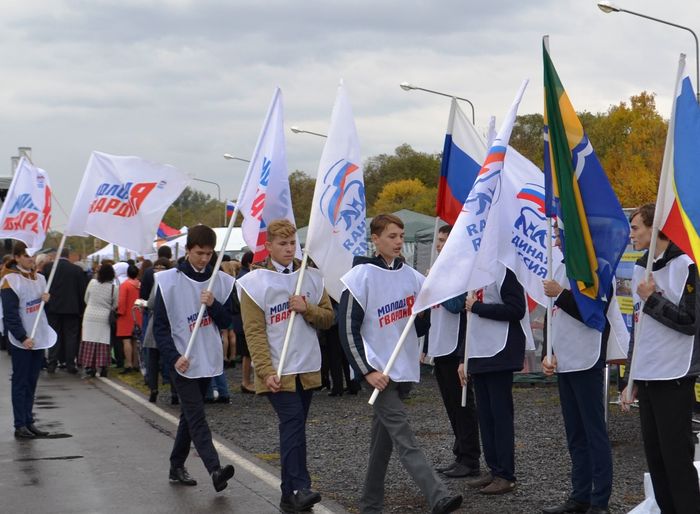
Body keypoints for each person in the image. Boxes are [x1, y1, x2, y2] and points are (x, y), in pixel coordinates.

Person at [339, 213, 463, 514]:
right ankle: (438, 495)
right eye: (392, 236)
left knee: (382, 445)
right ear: (376, 239)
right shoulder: (360, 277)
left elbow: (417, 327)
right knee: (405, 436)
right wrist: (367, 371)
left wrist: (422, 317)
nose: (398, 242)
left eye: (400, 236)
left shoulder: (411, 276)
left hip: (402, 370)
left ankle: (370, 505)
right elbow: (346, 328)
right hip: (379, 373)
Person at [238, 219, 334, 513]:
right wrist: (264, 372)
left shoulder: (311, 277)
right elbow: (253, 333)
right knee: (292, 423)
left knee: (296, 428)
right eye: (282, 243)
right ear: (268, 247)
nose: (289, 248)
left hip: (306, 367)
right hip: (277, 372)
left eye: (292, 243)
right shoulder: (255, 284)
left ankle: (287, 496)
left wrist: (308, 309)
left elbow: (330, 318)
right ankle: (299, 487)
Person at [621, 204, 700, 513]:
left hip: (676, 374)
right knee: (655, 457)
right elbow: (638, 328)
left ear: (655, 229)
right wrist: (631, 376)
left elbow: (690, 321)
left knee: (676, 457)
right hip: (649, 372)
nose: (632, 235)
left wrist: (653, 299)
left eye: (636, 228)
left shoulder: (686, 265)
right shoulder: (641, 265)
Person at [153, 224, 235, 492]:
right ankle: (215, 469)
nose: (204, 259)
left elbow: (227, 322)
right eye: (199, 253)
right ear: (188, 250)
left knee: (189, 417)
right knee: (197, 415)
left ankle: (176, 465)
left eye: (209, 254)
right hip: (182, 361)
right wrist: (173, 357)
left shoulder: (218, 281)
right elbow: (161, 328)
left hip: (206, 358)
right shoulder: (169, 281)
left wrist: (213, 304)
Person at [540, 226, 613, 514]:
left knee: (594, 432)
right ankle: (580, 495)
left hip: (587, 357)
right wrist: (550, 352)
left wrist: (560, 294)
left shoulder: (596, 268)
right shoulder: (558, 267)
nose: (556, 240)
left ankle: (600, 500)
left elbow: (593, 314)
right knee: (575, 434)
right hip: (566, 360)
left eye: (560, 235)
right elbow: (551, 315)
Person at [457, 261, 527, 496]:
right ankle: (494, 468)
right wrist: (462, 358)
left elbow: (516, 309)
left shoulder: (505, 270)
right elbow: (468, 321)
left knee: (500, 416)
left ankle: (506, 474)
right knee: (485, 418)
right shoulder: (473, 271)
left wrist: (478, 307)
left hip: (499, 352)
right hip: (478, 353)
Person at [424, 225, 481, 479]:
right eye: (438, 240)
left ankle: (470, 458)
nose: (440, 245)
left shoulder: (461, 272)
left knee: (462, 406)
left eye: (445, 240)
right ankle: (459, 453)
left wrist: (436, 286)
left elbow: (458, 305)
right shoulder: (440, 270)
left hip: (454, 348)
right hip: (439, 346)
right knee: (450, 406)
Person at [2, 242, 57, 438]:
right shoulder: (10, 280)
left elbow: (44, 313)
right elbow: (10, 315)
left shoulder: (41, 279)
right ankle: (19, 424)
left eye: (33, 256)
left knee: (32, 381)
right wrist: (22, 337)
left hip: (38, 338)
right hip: (22, 340)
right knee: (21, 381)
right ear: (17, 257)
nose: (31, 259)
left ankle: (29, 420)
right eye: (26, 256)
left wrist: (47, 300)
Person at [42, 246, 87, 374]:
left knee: (54, 336)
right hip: (71, 308)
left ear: (57, 254)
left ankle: (52, 362)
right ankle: (70, 364)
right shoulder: (77, 270)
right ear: (68, 255)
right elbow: (81, 291)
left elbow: (43, 286)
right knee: (71, 337)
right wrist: (81, 309)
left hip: (53, 307)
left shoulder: (48, 268)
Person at [141, 257, 174, 403]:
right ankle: (174, 393)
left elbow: (152, 302)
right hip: (172, 324)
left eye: (162, 267)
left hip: (159, 324)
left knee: (155, 359)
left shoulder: (160, 282)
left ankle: (154, 389)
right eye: (156, 267)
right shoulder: (173, 282)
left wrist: (146, 304)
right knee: (169, 360)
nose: (158, 270)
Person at [78, 263, 119, 378]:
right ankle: (103, 366)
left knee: (89, 340)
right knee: (103, 341)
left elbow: (86, 298)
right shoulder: (114, 288)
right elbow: (115, 304)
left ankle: (89, 366)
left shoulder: (92, 283)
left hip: (90, 315)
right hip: (104, 317)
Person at [235, 250, 255, 393]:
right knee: (247, 354)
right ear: (250, 263)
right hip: (244, 321)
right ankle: (246, 382)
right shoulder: (246, 278)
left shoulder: (242, 275)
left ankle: (248, 381)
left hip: (240, 321)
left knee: (248, 353)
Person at [116, 265, 142, 374]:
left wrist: (119, 312)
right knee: (135, 341)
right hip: (138, 314)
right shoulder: (140, 285)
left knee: (126, 340)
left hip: (126, 315)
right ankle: (136, 363)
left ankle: (128, 364)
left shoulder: (125, 285)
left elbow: (122, 301)